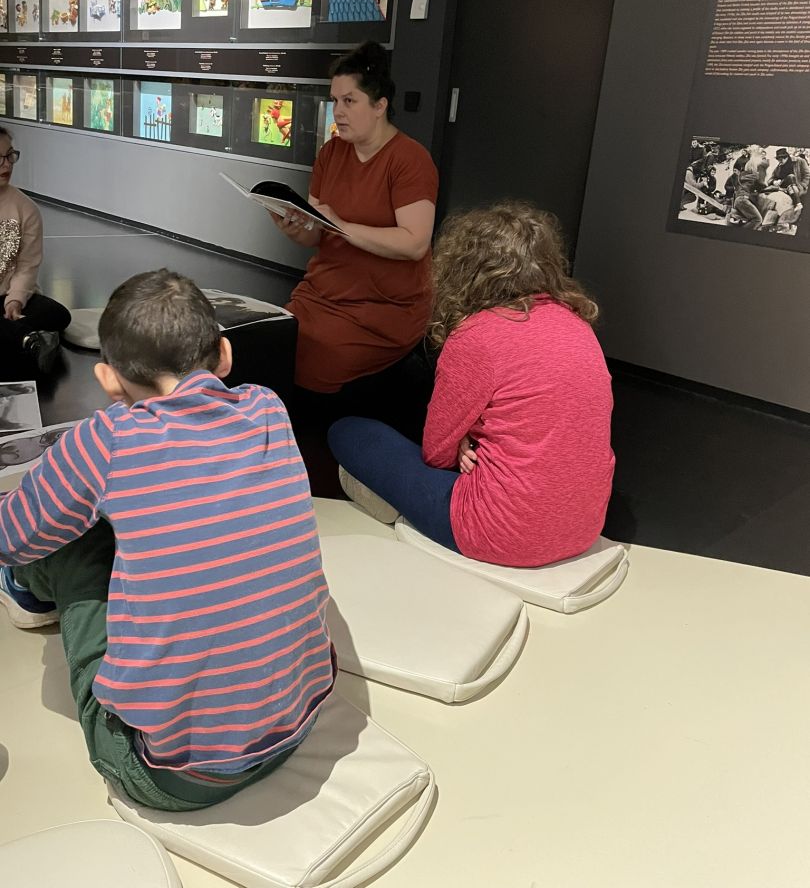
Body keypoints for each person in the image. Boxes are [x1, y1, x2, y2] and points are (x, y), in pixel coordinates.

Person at [0, 269, 335, 811]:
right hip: (300, 722)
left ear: (108, 379)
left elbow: (9, 536)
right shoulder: (269, 408)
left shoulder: (107, 439)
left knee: (70, 540)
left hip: (172, 775)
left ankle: (25, 591)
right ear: (224, 355)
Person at [327, 201, 615, 569]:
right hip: (583, 527)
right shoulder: (576, 325)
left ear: (464, 267)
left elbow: (437, 454)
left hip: (501, 534)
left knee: (348, 431)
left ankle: (406, 513)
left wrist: (463, 439)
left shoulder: (476, 336)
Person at [270, 42, 439, 398]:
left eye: (349, 101)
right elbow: (315, 235)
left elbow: (414, 243)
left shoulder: (410, 160)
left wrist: (342, 227)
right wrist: (295, 228)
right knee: (273, 343)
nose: (338, 112)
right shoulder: (331, 153)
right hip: (323, 293)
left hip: (384, 307)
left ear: (380, 106)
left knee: (316, 361)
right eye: (335, 101)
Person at [0, 125, 71, 372]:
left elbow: (27, 266)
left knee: (58, 314)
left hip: (6, 296)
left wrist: (15, 301)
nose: (6, 165)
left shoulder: (26, 209)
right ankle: (26, 339)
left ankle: (16, 336)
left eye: (10, 156)